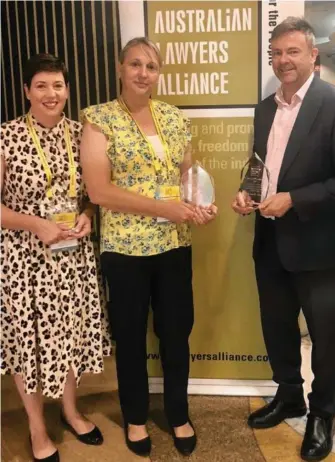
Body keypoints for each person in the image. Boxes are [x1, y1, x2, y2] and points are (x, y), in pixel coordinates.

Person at [80, 37, 217, 457]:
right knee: (131, 336)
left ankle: (178, 414)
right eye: (135, 64)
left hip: (175, 244)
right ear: (121, 68)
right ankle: (136, 418)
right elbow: (99, 191)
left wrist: (198, 205)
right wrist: (162, 207)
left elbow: (187, 173)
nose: (143, 73)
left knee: (176, 333)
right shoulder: (98, 119)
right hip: (126, 250)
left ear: (159, 73)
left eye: (151, 66)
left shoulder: (174, 118)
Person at [232, 17, 335, 462]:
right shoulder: (264, 109)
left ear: (313, 54)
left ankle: (322, 412)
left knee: (322, 337)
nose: (284, 61)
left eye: (292, 52)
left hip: (318, 247)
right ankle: (290, 395)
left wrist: (294, 199)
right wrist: (248, 188)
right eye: (277, 53)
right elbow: (260, 165)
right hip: (270, 243)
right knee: (277, 330)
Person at [1, 54, 112, 462]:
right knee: (28, 343)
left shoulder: (82, 134)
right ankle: (36, 427)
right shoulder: (7, 136)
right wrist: (35, 224)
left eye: (58, 86)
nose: (52, 94)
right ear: (27, 91)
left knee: (68, 336)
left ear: (67, 90)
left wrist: (86, 215)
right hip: (24, 262)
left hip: (72, 258)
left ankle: (69, 409)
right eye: (42, 86)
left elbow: (93, 195)